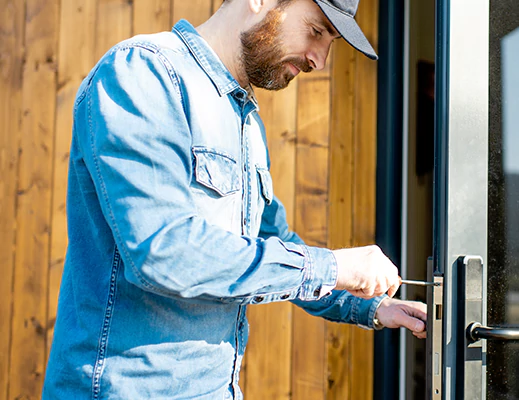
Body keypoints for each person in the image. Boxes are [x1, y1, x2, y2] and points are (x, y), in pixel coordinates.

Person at [42, 0, 426, 398]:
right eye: (316, 31)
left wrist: (370, 307)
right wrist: (332, 267)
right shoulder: (143, 73)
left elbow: (273, 248)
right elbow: (164, 250)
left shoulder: (247, 124)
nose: (320, 61)